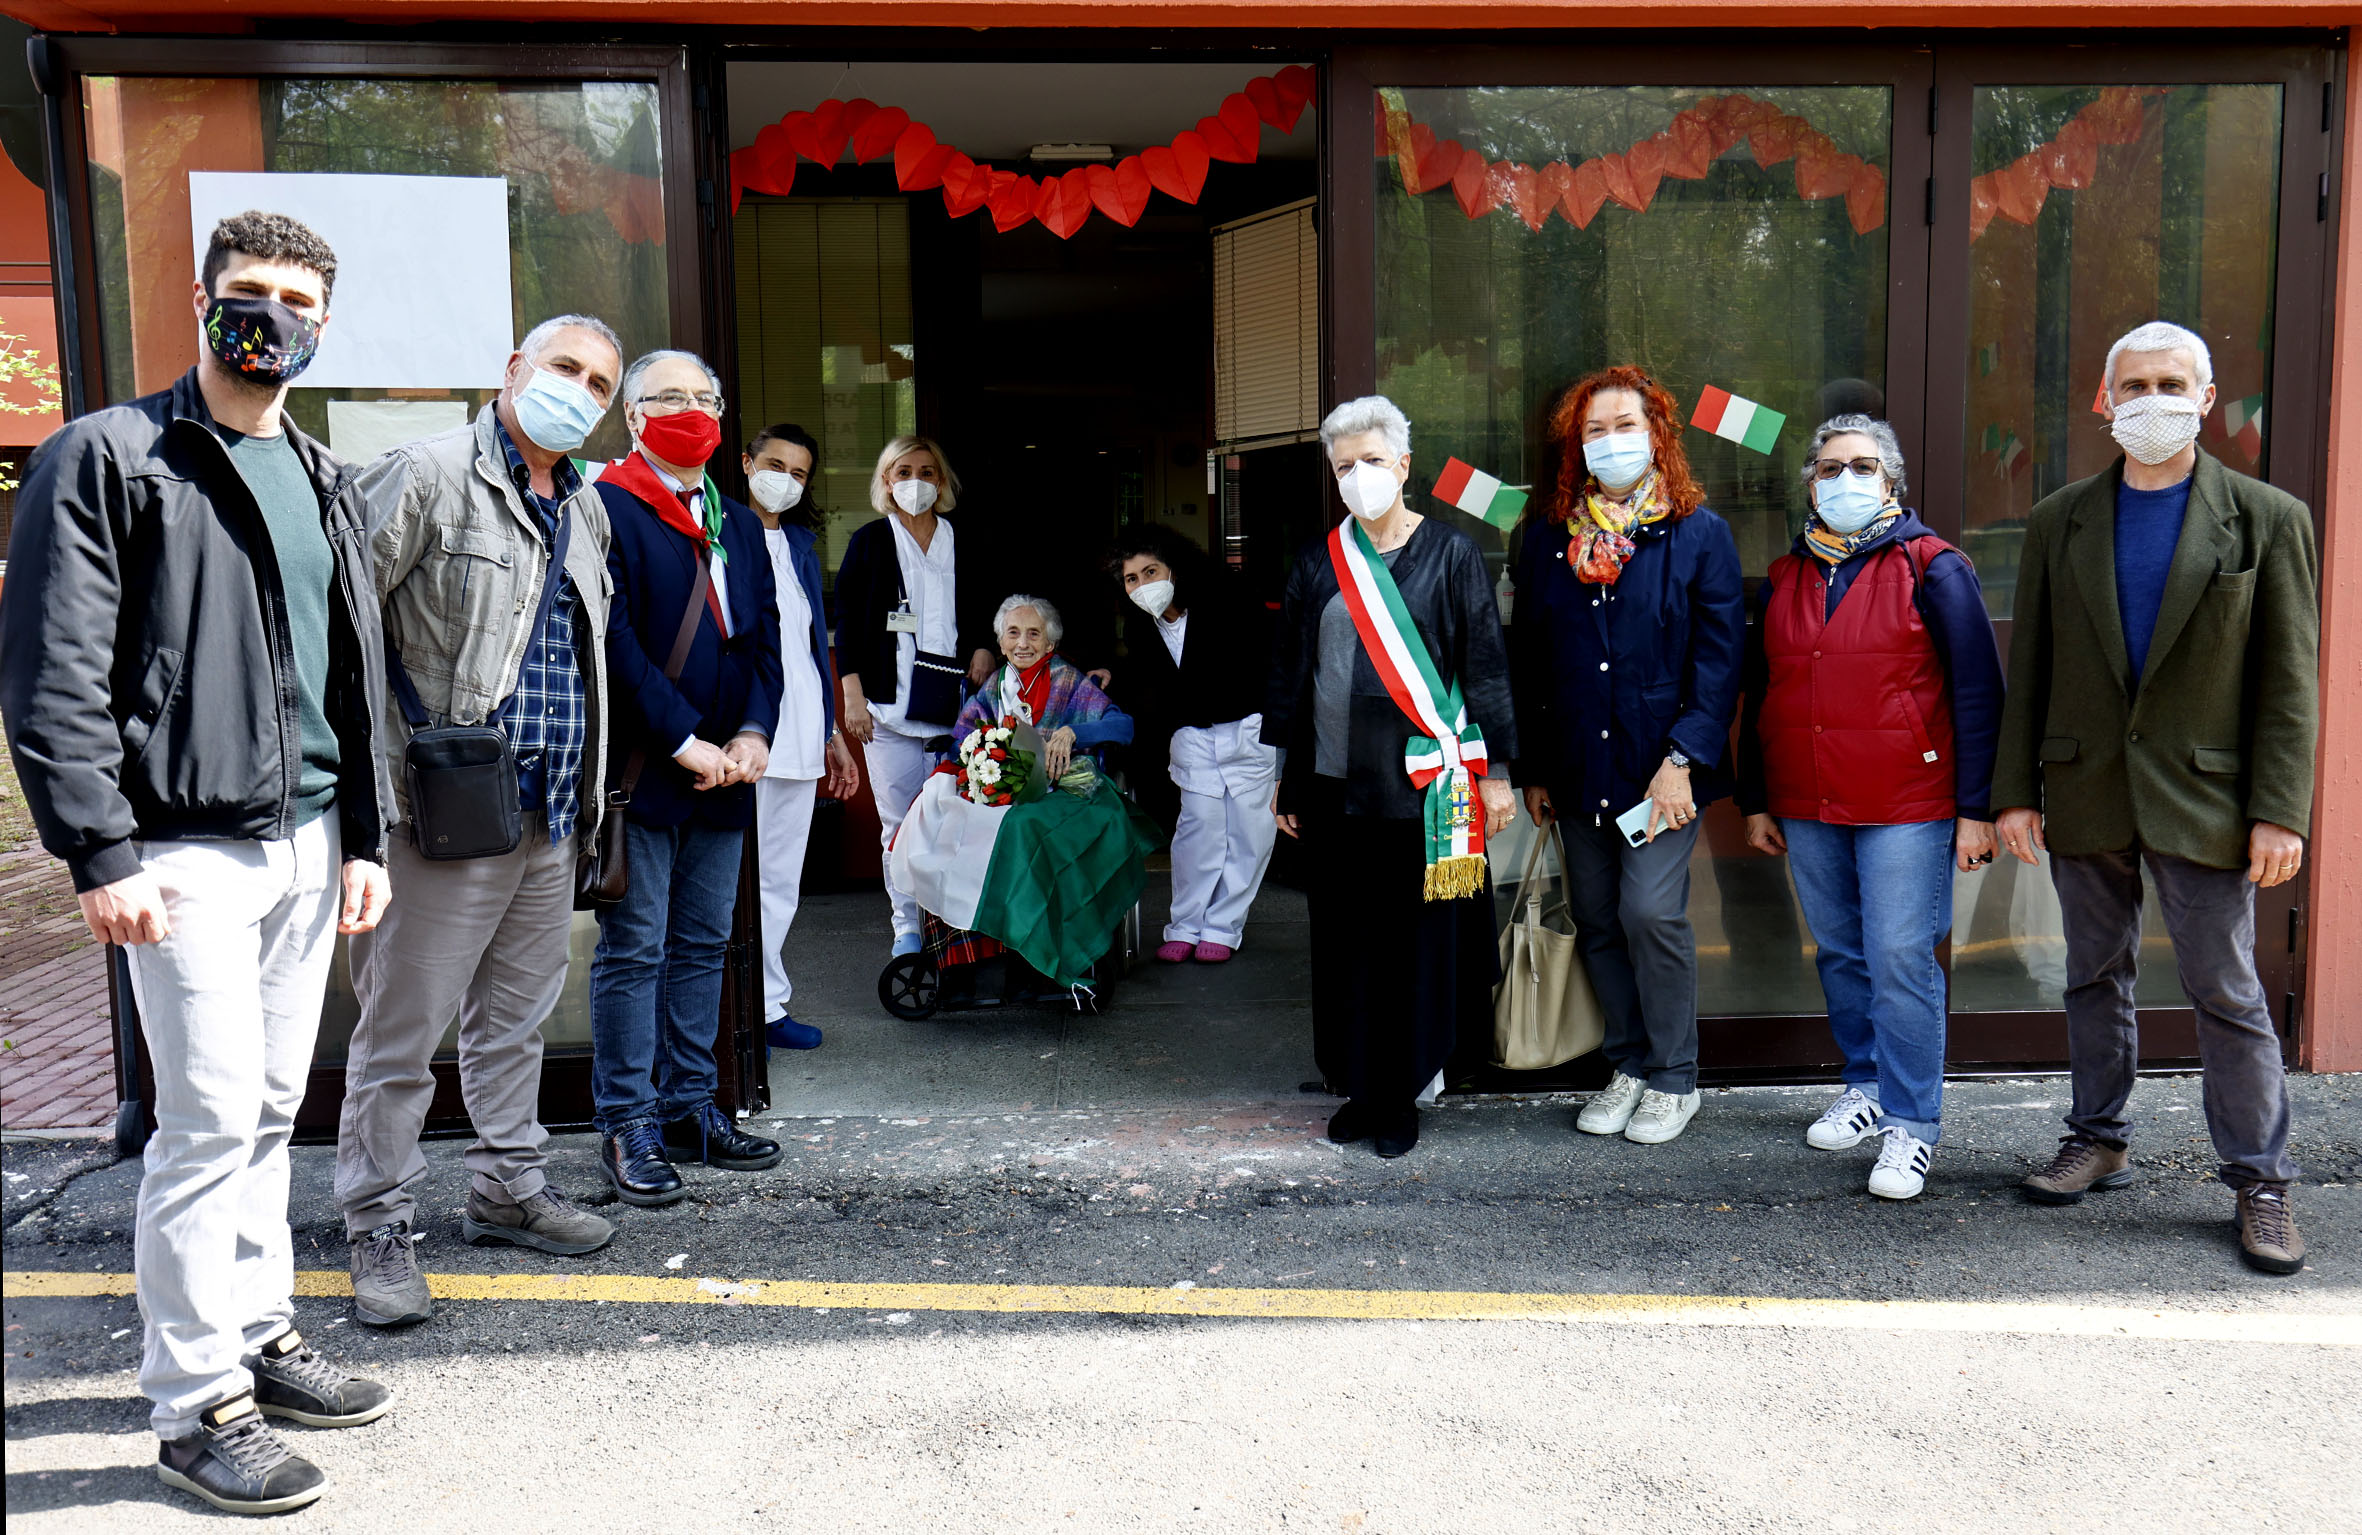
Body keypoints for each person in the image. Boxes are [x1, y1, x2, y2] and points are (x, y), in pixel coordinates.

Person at [0, 210, 393, 1514]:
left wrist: (366, 837)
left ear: (323, 325)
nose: (268, 313)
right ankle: (193, 1402)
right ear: (204, 300)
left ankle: (258, 1331)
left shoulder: (326, 477)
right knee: (208, 1119)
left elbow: (351, 676)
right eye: (247, 290)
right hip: (179, 850)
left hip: (306, 839)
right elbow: (53, 668)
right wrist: (97, 844)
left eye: (293, 296)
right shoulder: (112, 455)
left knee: (272, 1108)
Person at [1994, 320, 2320, 1274]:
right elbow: (2035, 668)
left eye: (2172, 382)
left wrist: (2281, 809)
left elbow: (2288, 680)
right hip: (2086, 783)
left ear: (2207, 398)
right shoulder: (2060, 519)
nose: (2152, 399)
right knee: (2094, 975)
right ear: (2106, 401)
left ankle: (2261, 1180)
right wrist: (2015, 792)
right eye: (2132, 384)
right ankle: (2096, 1136)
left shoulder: (2267, 519)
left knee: (2227, 989)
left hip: (2210, 797)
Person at [334, 314, 627, 1326]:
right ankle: (376, 1221)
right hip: (439, 813)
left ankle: (507, 1185)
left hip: (548, 812)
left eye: (597, 382)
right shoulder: (423, 474)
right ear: (513, 369)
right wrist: (362, 804)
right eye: (563, 369)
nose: (577, 391)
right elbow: (339, 637)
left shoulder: (585, 507)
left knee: (517, 1018)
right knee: (400, 1033)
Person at [1736, 415, 2005, 1199]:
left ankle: (1912, 1123)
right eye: (1828, 468)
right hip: (1809, 799)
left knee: (1898, 957)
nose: (1843, 480)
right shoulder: (1788, 576)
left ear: (1891, 481)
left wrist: (1977, 809)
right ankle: (1866, 1084)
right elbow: (1764, 693)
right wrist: (1757, 797)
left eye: (1862, 466)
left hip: (1907, 801)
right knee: (1843, 951)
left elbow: (1979, 693)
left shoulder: (1935, 566)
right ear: (1811, 484)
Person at [1267, 396, 1517, 1160]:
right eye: (1345, 466)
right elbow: (1291, 677)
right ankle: (1360, 1085)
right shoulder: (1318, 561)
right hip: (1335, 787)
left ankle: (1405, 1091)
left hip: (1424, 791)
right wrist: (1286, 779)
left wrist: (1498, 774)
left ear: (1404, 465)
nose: (1359, 475)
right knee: (1346, 945)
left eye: (1372, 460)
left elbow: (1483, 666)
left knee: (1416, 947)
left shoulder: (1452, 554)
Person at [1508, 365, 1743, 1148]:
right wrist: (1533, 767)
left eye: (1626, 425)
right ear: (1578, 444)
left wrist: (1683, 759)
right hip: (1576, 765)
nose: (1612, 441)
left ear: (1658, 434)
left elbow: (1719, 661)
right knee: (1600, 916)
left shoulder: (1697, 531)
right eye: (1595, 429)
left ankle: (1676, 1075)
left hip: (1658, 770)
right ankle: (1630, 1063)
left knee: (1651, 911)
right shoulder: (1544, 536)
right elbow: (1531, 661)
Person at [589, 349, 785, 1207]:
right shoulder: (607, 507)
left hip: (728, 772)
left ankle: (690, 1105)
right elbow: (613, 642)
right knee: (634, 950)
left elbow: (765, 639)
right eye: (670, 397)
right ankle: (626, 1121)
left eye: (705, 396)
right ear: (634, 415)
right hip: (648, 770)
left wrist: (752, 732)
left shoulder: (737, 522)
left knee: (706, 944)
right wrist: (682, 739)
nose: (692, 410)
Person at [833, 435, 994, 956]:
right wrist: (852, 698)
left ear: (941, 482)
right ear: (886, 481)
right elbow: (850, 624)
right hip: (888, 710)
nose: (916, 482)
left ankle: (952, 922)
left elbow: (987, 607)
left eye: (927, 472)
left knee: (958, 820)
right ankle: (906, 926)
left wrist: (984, 647)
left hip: (958, 710)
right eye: (903, 472)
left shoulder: (963, 539)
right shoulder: (870, 542)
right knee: (899, 824)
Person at [1107, 526, 1279, 964]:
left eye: (1151, 572)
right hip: (1193, 737)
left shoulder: (1230, 603)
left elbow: (1270, 666)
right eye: (1132, 579)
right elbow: (1148, 686)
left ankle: (1223, 927)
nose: (1143, 585)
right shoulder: (1142, 632)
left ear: (1175, 570)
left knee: (1249, 833)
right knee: (1197, 830)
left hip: (1247, 729)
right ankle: (1185, 924)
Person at [741, 422, 861, 1051]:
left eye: (798, 472)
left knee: (780, 882)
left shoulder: (801, 546)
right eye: (774, 464)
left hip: (800, 735)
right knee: (731, 881)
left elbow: (813, 651)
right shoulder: (720, 533)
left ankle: (767, 1007)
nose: (784, 480)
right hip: (741, 737)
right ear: (746, 463)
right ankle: (725, 1012)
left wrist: (832, 733)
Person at [955, 594, 1135, 770]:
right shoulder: (994, 685)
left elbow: (1123, 726)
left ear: (1050, 643)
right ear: (1001, 643)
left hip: (1061, 789)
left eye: (1034, 634)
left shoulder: (1070, 681)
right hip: (999, 791)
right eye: (1013, 633)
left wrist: (1073, 733)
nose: (1023, 643)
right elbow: (960, 739)